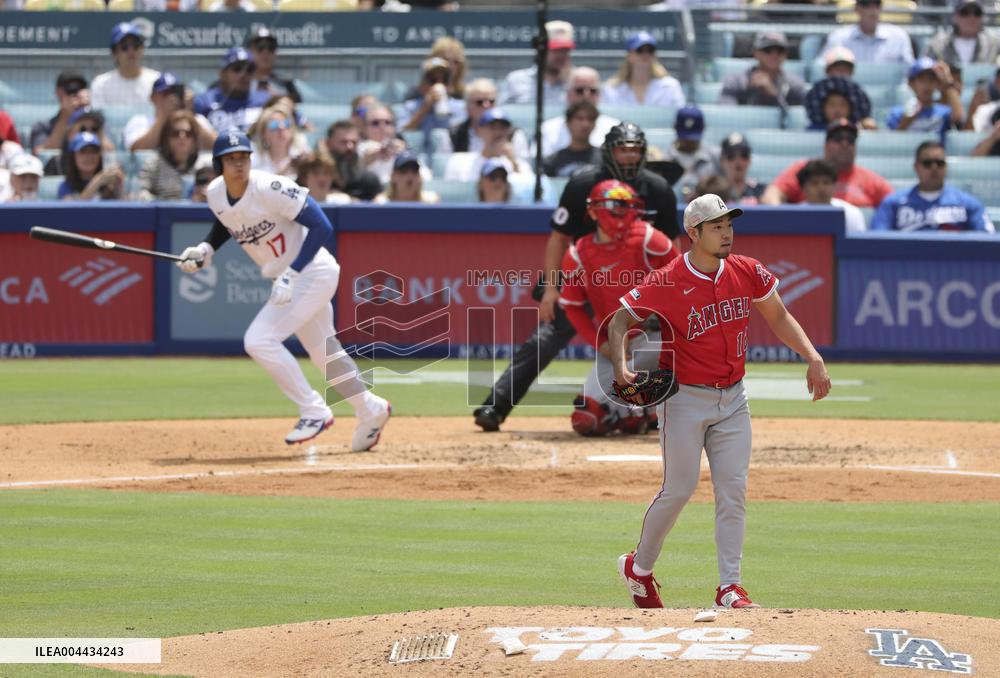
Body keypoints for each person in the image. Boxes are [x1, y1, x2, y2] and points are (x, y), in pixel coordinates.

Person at [612, 193, 831, 610]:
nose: (727, 232)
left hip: (734, 399)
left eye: (729, 224)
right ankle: (638, 568)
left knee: (733, 491)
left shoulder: (747, 271)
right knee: (678, 490)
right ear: (693, 233)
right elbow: (622, 318)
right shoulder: (669, 279)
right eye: (716, 226)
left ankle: (730, 587)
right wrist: (621, 365)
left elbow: (779, 316)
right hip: (684, 401)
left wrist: (812, 356)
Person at [175, 130, 392, 449]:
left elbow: (322, 226)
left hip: (311, 272)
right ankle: (371, 410)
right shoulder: (216, 193)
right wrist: (207, 248)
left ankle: (313, 410)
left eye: (243, 157)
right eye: (231, 159)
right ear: (219, 163)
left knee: (259, 340)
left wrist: (291, 273)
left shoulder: (270, 187)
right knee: (325, 354)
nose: (238, 164)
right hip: (289, 278)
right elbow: (228, 220)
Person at [473, 122, 681, 432]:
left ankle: (649, 409)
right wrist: (551, 289)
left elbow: (673, 247)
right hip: (584, 278)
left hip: (634, 288)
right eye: (623, 150)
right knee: (545, 338)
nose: (629, 157)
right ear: (609, 152)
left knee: (664, 344)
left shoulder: (658, 189)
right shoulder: (582, 184)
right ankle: (496, 405)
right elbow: (558, 238)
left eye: (635, 150)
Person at [559, 180, 679, 436]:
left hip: (657, 338)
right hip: (615, 343)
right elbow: (573, 308)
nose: (622, 211)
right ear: (593, 211)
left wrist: (669, 318)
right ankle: (641, 412)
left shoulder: (650, 240)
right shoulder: (578, 254)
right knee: (587, 417)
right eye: (616, 205)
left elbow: (683, 284)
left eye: (627, 205)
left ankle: (656, 406)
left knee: (668, 362)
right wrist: (601, 345)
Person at [762, 119, 893, 208]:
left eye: (850, 140)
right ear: (826, 145)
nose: (844, 144)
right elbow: (771, 197)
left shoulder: (871, 180)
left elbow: (895, 206)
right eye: (838, 138)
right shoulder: (805, 170)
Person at [872, 141, 994, 232]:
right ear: (916, 167)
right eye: (927, 163)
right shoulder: (893, 203)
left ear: (946, 167)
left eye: (940, 163)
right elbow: (878, 241)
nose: (934, 168)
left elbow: (986, 239)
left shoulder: (968, 204)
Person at [124, 72, 216, 152]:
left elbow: (216, 147)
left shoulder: (197, 119)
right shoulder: (140, 121)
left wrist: (189, 115)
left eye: (175, 92)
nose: (172, 98)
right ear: (152, 98)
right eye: (165, 93)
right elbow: (136, 150)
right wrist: (164, 116)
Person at [539, 67, 619, 158]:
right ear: (568, 94)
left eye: (593, 91)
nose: (586, 95)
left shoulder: (614, 128)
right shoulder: (547, 129)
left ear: (599, 95)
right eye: (579, 91)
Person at [886, 58, 963, 145]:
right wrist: (905, 122)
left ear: (937, 83)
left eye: (931, 80)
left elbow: (958, 117)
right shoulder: (897, 113)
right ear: (911, 83)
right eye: (922, 80)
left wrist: (947, 81)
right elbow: (892, 144)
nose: (927, 85)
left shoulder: (944, 113)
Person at [194, 47, 271, 133]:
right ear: (222, 73)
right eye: (237, 68)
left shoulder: (265, 101)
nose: (243, 74)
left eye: (249, 70)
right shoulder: (203, 102)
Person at [499, 20, 575, 106]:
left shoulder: (578, 84)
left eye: (565, 51)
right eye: (556, 51)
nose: (562, 56)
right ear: (540, 50)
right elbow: (502, 113)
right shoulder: (516, 80)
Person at [720, 32, 806, 108]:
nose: (774, 55)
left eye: (780, 50)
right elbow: (727, 114)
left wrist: (773, 94)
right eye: (767, 50)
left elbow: (795, 120)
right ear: (755, 53)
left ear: (786, 54)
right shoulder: (735, 82)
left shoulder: (795, 84)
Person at [601, 31, 686, 108]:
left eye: (650, 50)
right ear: (629, 55)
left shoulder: (670, 86)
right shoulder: (611, 89)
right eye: (640, 50)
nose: (646, 54)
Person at [399, 57, 466, 154]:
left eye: (445, 79)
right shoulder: (410, 107)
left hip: (449, 159)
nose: (439, 83)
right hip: (418, 160)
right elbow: (403, 133)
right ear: (422, 83)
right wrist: (425, 107)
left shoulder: (460, 107)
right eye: (433, 80)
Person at [818, 0, 914, 66]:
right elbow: (821, 67)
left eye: (877, 4)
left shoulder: (899, 36)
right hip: (850, 95)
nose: (872, 9)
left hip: (890, 94)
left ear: (881, 8)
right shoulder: (838, 37)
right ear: (856, 9)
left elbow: (908, 71)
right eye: (866, 4)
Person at [444, 108, 529, 181]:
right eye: (492, 126)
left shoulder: (519, 165)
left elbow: (527, 192)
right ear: (479, 130)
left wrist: (513, 163)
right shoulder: (459, 161)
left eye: (503, 127)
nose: (498, 132)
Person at [91, 22, 160, 110]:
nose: (131, 51)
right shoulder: (101, 84)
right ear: (114, 53)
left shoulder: (156, 81)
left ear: (142, 49)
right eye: (124, 47)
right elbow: (98, 121)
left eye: (136, 45)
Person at [138, 110, 200, 201]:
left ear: (194, 139)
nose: (182, 137)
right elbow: (141, 194)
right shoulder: (153, 164)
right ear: (166, 137)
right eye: (176, 133)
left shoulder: (204, 165)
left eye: (188, 133)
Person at [661, 106, 721, 200]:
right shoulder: (665, 160)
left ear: (703, 128)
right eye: (684, 137)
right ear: (675, 128)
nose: (689, 141)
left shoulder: (715, 157)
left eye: (693, 137)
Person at [797, 159, 868, 233]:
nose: (821, 188)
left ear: (835, 186)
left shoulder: (851, 214)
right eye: (814, 183)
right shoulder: (795, 217)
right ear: (803, 189)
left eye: (826, 182)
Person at [30, 71, 90, 154]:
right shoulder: (43, 126)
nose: (75, 94)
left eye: (79, 89)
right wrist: (66, 115)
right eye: (70, 89)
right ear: (58, 92)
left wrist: (89, 116)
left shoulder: (95, 124)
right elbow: (40, 153)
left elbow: (109, 150)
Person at [925, 0, 1000, 66]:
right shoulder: (939, 43)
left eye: (977, 13)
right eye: (965, 13)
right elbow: (924, 71)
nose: (971, 18)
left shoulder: (994, 44)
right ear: (955, 17)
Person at [322, 120, 381, 201]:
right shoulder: (316, 179)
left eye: (354, 142)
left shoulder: (369, 181)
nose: (350, 147)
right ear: (328, 144)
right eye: (343, 142)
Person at [58, 132, 125, 201]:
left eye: (94, 151)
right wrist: (98, 181)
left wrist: (119, 186)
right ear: (73, 157)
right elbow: (72, 210)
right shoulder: (66, 186)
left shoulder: (108, 183)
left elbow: (125, 208)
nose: (89, 156)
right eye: (83, 151)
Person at [542, 101, 602, 177]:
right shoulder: (552, 161)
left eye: (590, 119)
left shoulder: (605, 158)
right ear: (568, 123)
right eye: (580, 119)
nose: (585, 124)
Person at [249, 102, 309, 178]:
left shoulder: (302, 153)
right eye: (274, 124)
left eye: (286, 123)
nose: (281, 127)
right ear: (263, 133)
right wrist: (286, 168)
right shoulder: (255, 160)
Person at [357, 104, 411, 184]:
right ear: (364, 128)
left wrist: (405, 154)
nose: (382, 126)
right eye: (375, 123)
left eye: (387, 122)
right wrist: (379, 152)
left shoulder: (404, 148)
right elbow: (359, 162)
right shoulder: (357, 147)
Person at [246, 27, 302, 103]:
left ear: (276, 54)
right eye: (260, 48)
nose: (265, 53)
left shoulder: (287, 84)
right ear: (250, 52)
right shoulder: (241, 82)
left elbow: (297, 108)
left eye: (270, 48)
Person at [805, 77, 876, 131]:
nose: (837, 109)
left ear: (851, 109)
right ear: (823, 108)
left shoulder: (859, 128)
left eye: (843, 105)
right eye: (832, 104)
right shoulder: (812, 131)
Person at [373, 152, 440, 204]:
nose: (410, 175)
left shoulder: (430, 202)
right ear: (393, 176)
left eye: (414, 170)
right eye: (404, 170)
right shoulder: (381, 203)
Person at [719, 133, 766, 205]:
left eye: (744, 155)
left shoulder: (761, 191)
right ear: (722, 161)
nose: (738, 160)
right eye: (731, 156)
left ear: (750, 160)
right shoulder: (714, 193)